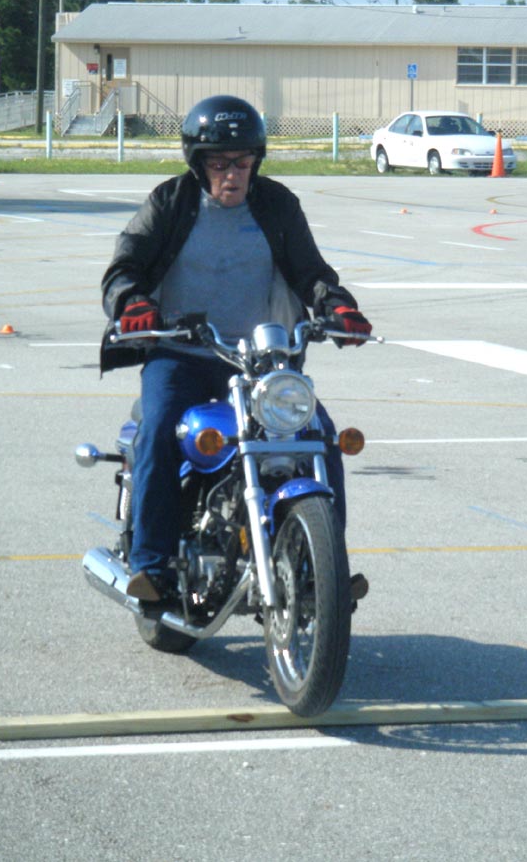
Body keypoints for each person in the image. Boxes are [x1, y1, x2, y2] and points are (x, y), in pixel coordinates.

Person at [99, 95, 372, 602]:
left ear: (256, 162)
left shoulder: (277, 205)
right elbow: (124, 266)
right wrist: (131, 302)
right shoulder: (170, 202)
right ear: (198, 163)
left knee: (319, 435)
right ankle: (152, 568)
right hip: (181, 355)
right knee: (159, 429)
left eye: (242, 163)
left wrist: (338, 306)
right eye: (220, 164)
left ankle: (324, 568)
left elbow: (311, 272)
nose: (232, 174)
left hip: (259, 363)